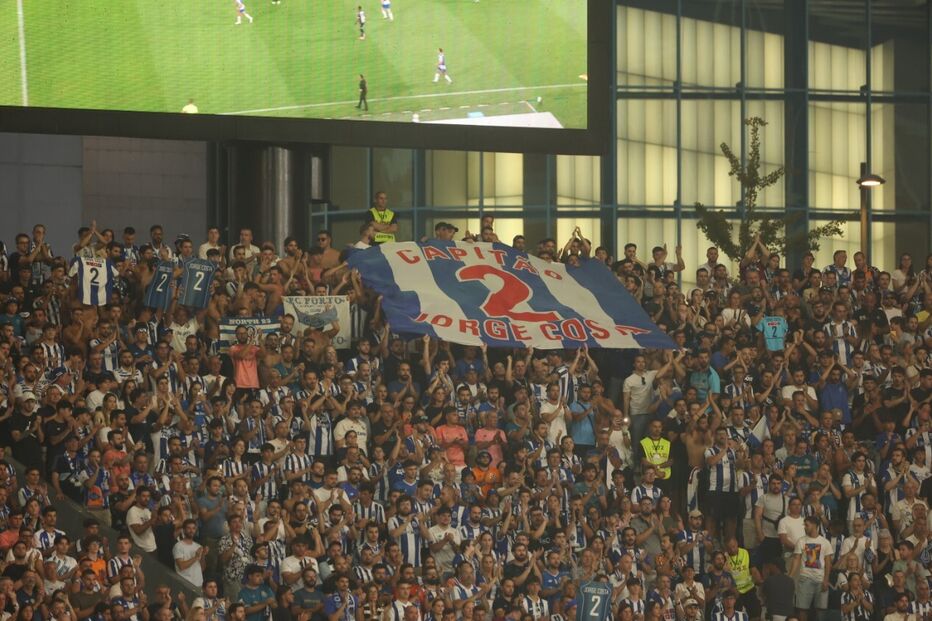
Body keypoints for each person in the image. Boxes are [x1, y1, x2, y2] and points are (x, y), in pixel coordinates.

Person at [789, 516, 833, 621]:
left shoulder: (825, 542)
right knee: (802, 608)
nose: (805, 527)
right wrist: (790, 576)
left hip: (820, 579)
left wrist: (826, 580)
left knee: (821, 609)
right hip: (805, 578)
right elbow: (796, 559)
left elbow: (828, 563)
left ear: (815, 526)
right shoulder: (801, 541)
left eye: (807, 525)